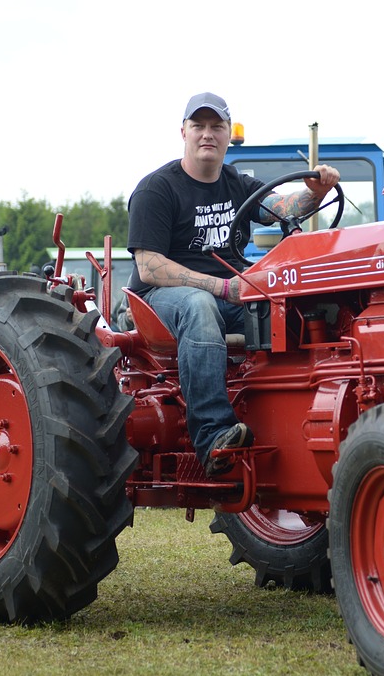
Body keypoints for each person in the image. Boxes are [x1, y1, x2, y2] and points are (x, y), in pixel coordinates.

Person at [126, 92, 340, 476]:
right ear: (184, 132)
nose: (208, 134)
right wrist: (223, 288)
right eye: (199, 126)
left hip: (229, 294)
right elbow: (150, 267)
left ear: (227, 134)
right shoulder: (156, 189)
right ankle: (213, 438)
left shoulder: (236, 182)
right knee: (198, 306)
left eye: (216, 126)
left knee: (297, 312)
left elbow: (281, 208)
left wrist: (315, 192)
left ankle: (301, 422)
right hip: (160, 299)